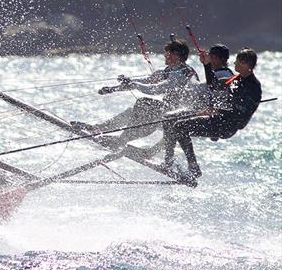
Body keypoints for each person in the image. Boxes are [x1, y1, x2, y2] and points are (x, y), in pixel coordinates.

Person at [71, 39, 198, 150]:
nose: (165, 55)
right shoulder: (171, 70)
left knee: (143, 103)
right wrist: (113, 89)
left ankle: (120, 141)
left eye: (168, 53)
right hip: (169, 112)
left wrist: (135, 84)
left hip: (180, 117)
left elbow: (156, 89)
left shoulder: (182, 73)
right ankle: (98, 129)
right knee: (132, 111)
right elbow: (147, 81)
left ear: (176, 55)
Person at [163, 47, 262, 177]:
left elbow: (240, 117)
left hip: (227, 126)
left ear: (245, 63)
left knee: (180, 127)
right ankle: (168, 161)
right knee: (169, 119)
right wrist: (207, 65)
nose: (234, 63)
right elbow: (214, 85)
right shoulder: (236, 78)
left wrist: (216, 110)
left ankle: (193, 169)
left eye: (237, 60)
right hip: (218, 119)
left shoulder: (253, 87)